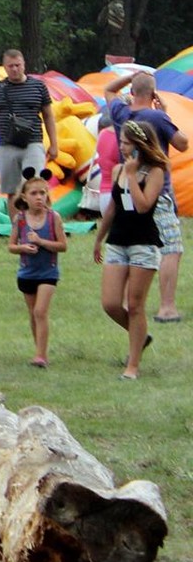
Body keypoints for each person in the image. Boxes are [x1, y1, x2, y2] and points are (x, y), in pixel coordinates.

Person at [99, 71, 188, 321]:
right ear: (153, 94)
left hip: (126, 184)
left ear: (132, 92)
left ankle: (128, 301)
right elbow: (182, 144)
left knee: (135, 241)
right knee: (171, 247)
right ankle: (166, 307)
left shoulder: (120, 113)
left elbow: (107, 90)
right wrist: (166, 112)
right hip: (155, 188)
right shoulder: (156, 116)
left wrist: (130, 78)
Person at [92, 120, 168, 380]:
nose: (121, 147)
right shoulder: (118, 170)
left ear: (138, 144)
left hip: (143, 244)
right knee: (111, 303)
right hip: (118, 242)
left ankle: (133, 365)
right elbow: (114, 206)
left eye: (125, 142)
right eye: (121, 142)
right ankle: (140, 336)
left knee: (135, 305)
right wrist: (99, 237)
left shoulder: (154, 171)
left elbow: (143, 205)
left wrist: (134, 175)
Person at [0, 49, 60, 186]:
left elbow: (48, 116)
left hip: (33, 142)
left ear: (24, 65)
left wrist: (54, 144)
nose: (14, 69)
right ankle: (13, 208)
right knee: (11, 191)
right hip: (7, 145)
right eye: (10, 66)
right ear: (4, 67)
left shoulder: (38, 87)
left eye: (17, 65)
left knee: (33, 185)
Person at [8, 172, 66, 368]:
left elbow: (62, 245)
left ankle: (41, 355)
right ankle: (38, 349)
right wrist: (23, 248)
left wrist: (41, 242)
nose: (39, 197)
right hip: (27, 273)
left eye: (42, 193)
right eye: (34, 193)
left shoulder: (53, 218)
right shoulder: (20, 219)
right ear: (24, 196)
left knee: (41, 311)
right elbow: (11, 246)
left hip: (48, 273)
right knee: (33, 313)